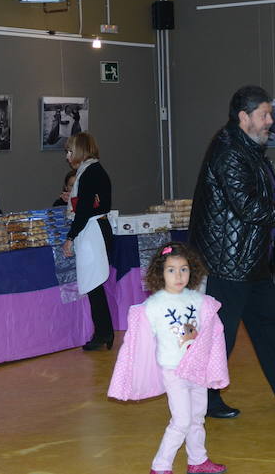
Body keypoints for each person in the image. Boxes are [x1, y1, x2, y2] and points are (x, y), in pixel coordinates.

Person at [189, 85, 275, 419]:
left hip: (248, 257)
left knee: (267, 324)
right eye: (264, 115)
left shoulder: (245, 147)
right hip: (227, 259)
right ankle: (205, 399)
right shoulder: (229, 151)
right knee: (221, 332)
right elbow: (248, 207)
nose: (271, 122)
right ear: (243, 117)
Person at [108, 242, 229, 474]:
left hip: (198, 370)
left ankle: (198, 461)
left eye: (184, 269)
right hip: (173, 371)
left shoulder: (199, 300)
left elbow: (211, 332)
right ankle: (160, 466)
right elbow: (139, 340)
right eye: (171, 270)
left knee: (197, 418)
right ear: (160, 273)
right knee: (181, 421)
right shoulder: (153, 306)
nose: (179, 275)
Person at [62, 132, 115, 351]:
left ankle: (104, 332)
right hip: (94, 227)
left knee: (94, 284)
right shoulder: (92, 170)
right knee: (94, 285)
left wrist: (70, 237)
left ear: (80, 150)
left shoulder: (90, 172)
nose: (67, 156)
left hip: (92, 230)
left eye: (70, 151)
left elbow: (84, 209)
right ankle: (103, 331)